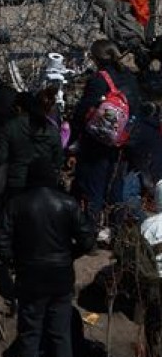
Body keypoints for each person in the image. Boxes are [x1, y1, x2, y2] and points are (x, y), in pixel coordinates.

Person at [0, 159, 95, 357]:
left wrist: (13, 262)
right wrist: (69, 256)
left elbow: (0, 240)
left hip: (30, 277)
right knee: (60, 331)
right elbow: (88, 241)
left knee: (30, 331)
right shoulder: (68, 204)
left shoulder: (16, 205)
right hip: (60, 277)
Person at [71, 39, 142, 244]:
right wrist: (125, 136)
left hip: (96, 143)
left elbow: (83, 111)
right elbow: (136, 109)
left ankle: (90, 235)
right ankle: (117, 233)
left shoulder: (98, 80)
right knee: (116, 187)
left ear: (96, 58)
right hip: (121, 142)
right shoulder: (129, 77)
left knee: (93, 187)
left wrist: (75, 138)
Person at [0, 92, 64, 201]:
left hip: (16, 182)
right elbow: (58, 160)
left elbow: (0, 157)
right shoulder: (52, 130)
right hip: (43, 185)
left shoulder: (11, 126)